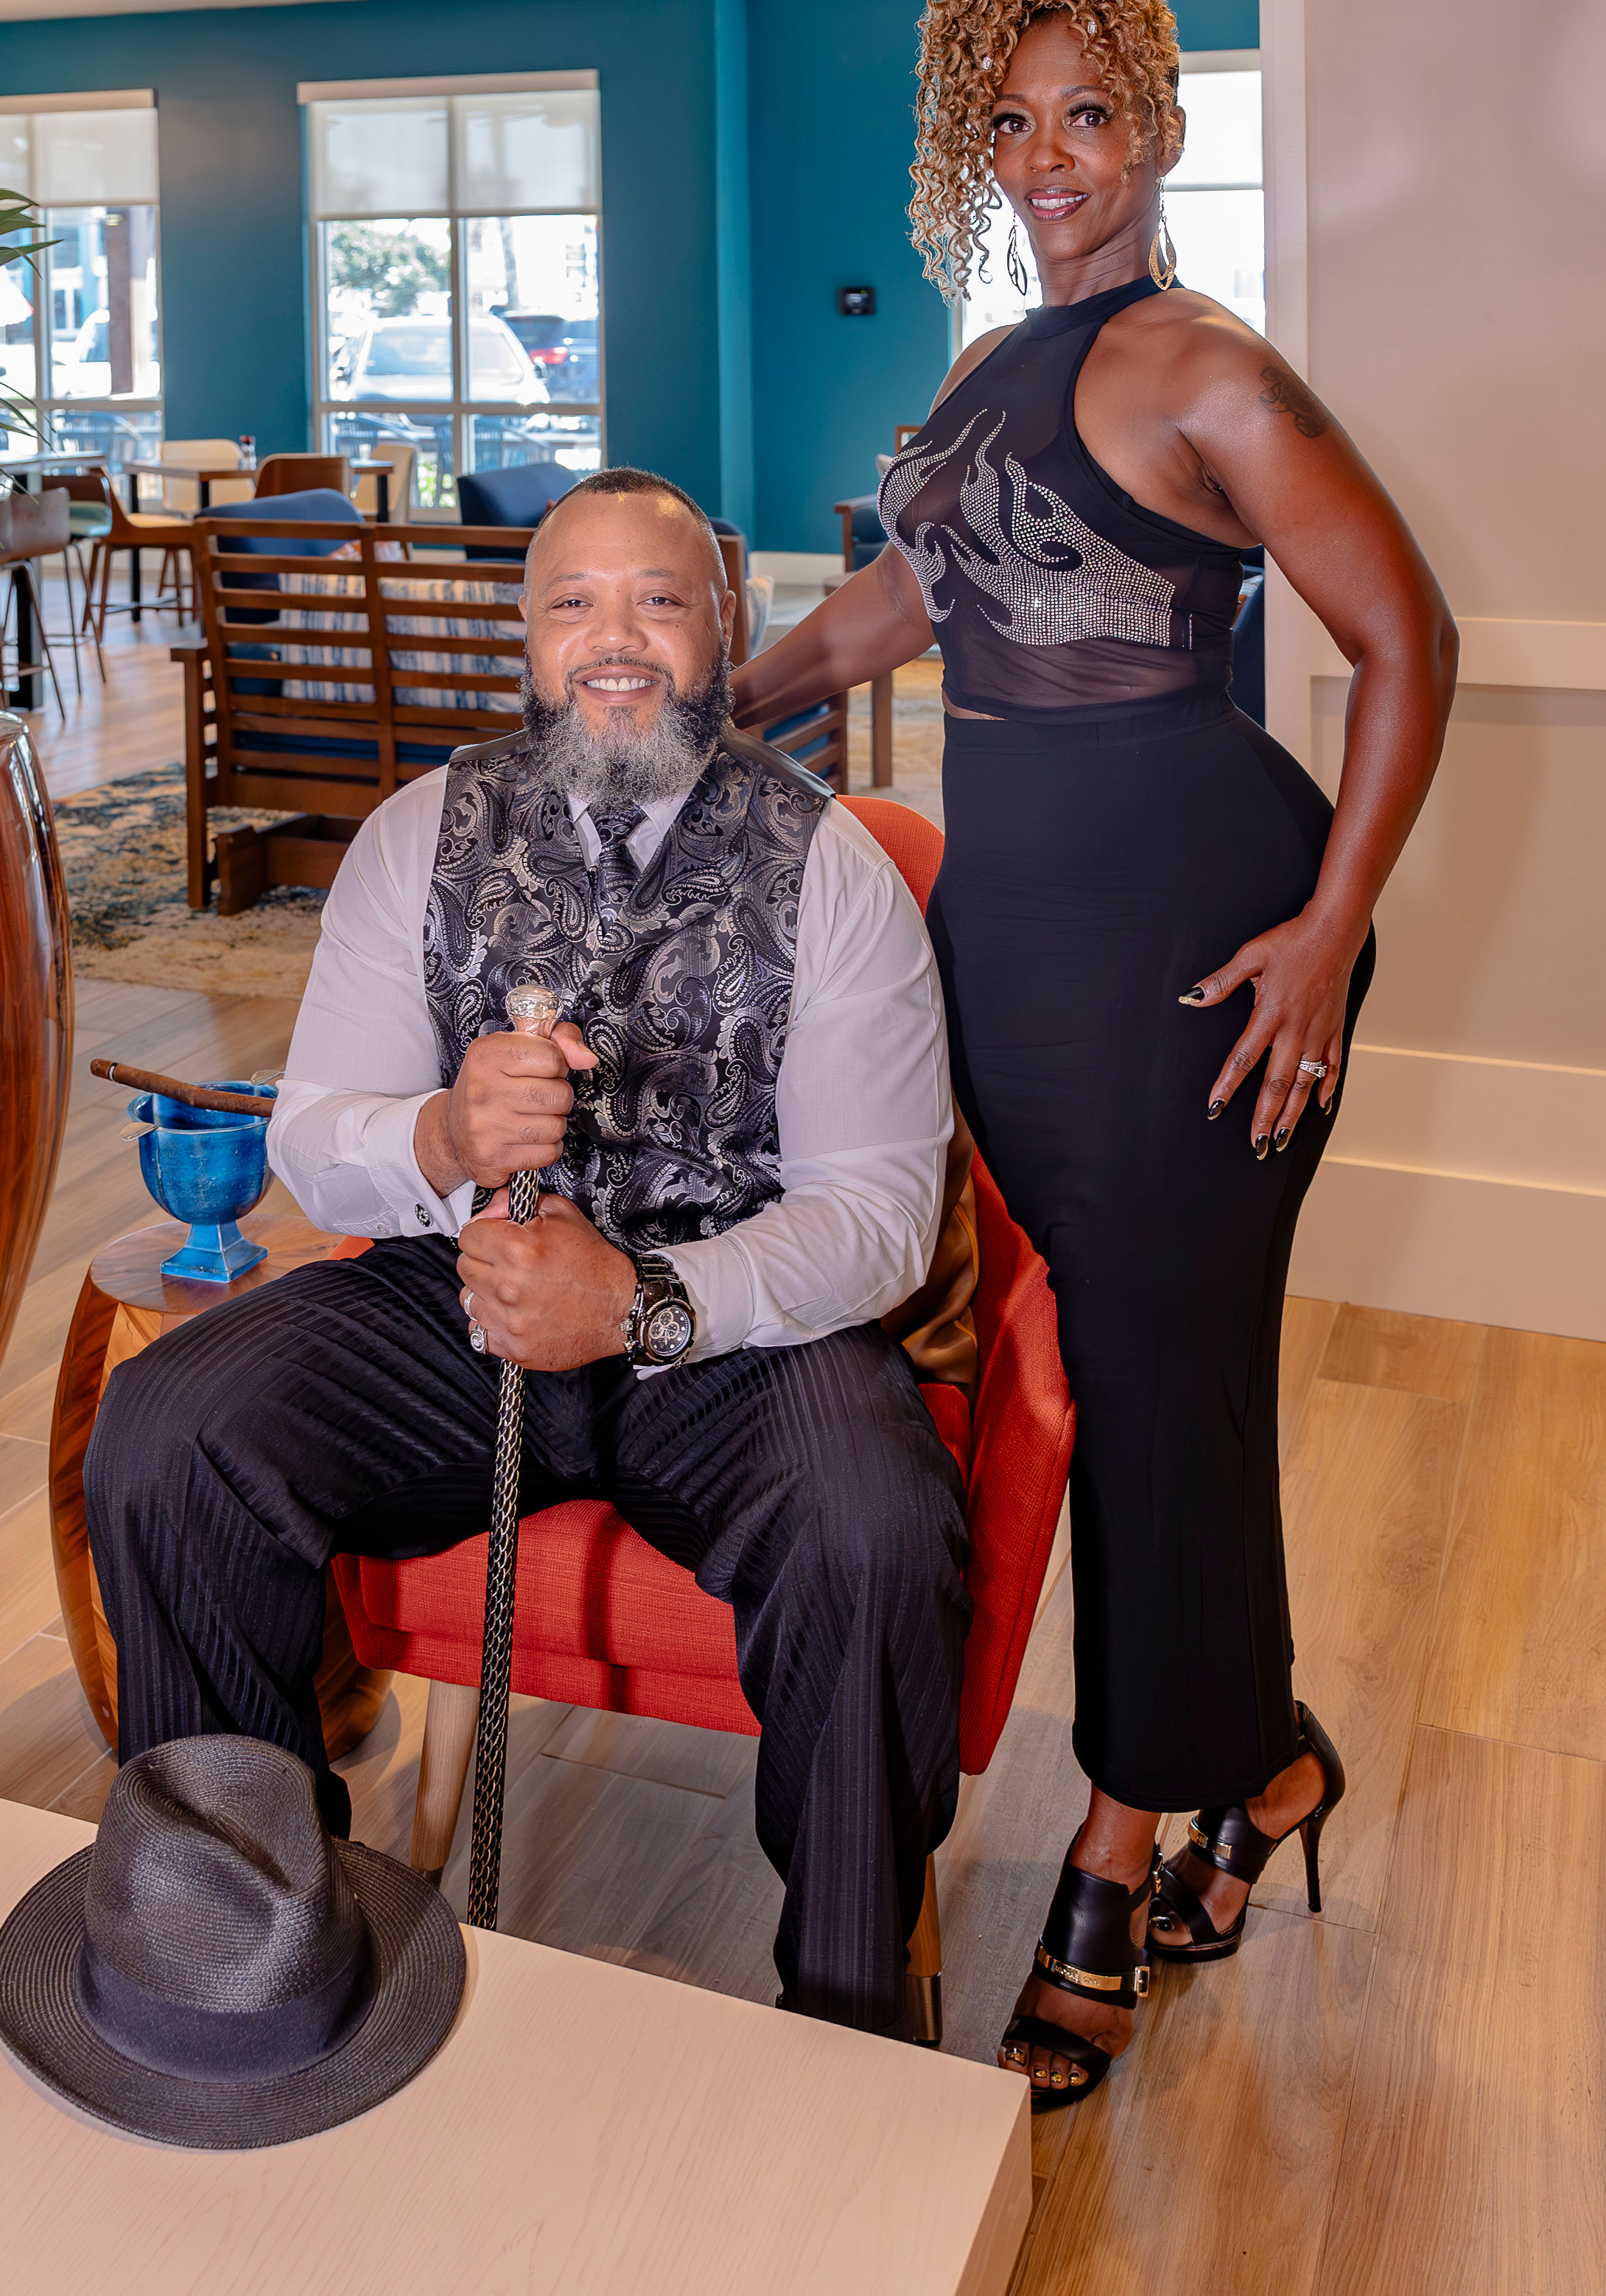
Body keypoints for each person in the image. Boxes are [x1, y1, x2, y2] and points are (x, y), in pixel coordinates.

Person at [732, 0, 1457, 2105]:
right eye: (1009, 122)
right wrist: (699, 703)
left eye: (1090, 118)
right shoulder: (981, 369)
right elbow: (896, 615)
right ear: (973, 132)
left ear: (1151, 125)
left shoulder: (1202, 367)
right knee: (1147, 1387)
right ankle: (1259, 1768)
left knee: (1155, 1395)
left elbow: (1404, 637)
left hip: (1194, 958)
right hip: (1011, 962)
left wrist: (1327, 932)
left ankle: (1127, 1831)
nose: (1051, 163)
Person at [85, 469, 970, 2040]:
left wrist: (643, 1298)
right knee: (166, 1429)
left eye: (656, 598)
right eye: (571, 602)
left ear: (726, 626)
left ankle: (849, 2009)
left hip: (738, 1329)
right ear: (522, 636)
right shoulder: (414, 835)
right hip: (457, 1304)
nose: (611, 638)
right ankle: (245, 1940)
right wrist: (434, 1134)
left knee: (871, 1520)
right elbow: (313, 1130)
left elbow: (877, 1213)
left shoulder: (830, 865)